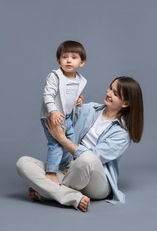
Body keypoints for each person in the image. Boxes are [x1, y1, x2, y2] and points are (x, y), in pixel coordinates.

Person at [16, 76, 144, 212]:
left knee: (87, 158)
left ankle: (45, 193)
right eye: (110, 88)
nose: (108, 93)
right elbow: (67, 120)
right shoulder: (90, 108)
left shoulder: (122, 133)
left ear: (125, 103)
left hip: (95, 182)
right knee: (23, 163)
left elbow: (95, 156)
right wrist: (71, 104)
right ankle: (73, 197)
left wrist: (62, 139)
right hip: (67, 168)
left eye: (115, 93)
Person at [40, 40, 87, 183]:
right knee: (56, 144)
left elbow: (70, 95)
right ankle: (51, 172)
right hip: (53, 115)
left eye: (74, 57)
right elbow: (48, 94)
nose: (68, 61)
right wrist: (53, 112)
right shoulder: (55, 76)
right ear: (58, 61)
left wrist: (78, 100)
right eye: (65, 57)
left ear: (82, 62)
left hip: (66, 117)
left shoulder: (80, 80)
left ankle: (64, 167)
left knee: (70, 142)